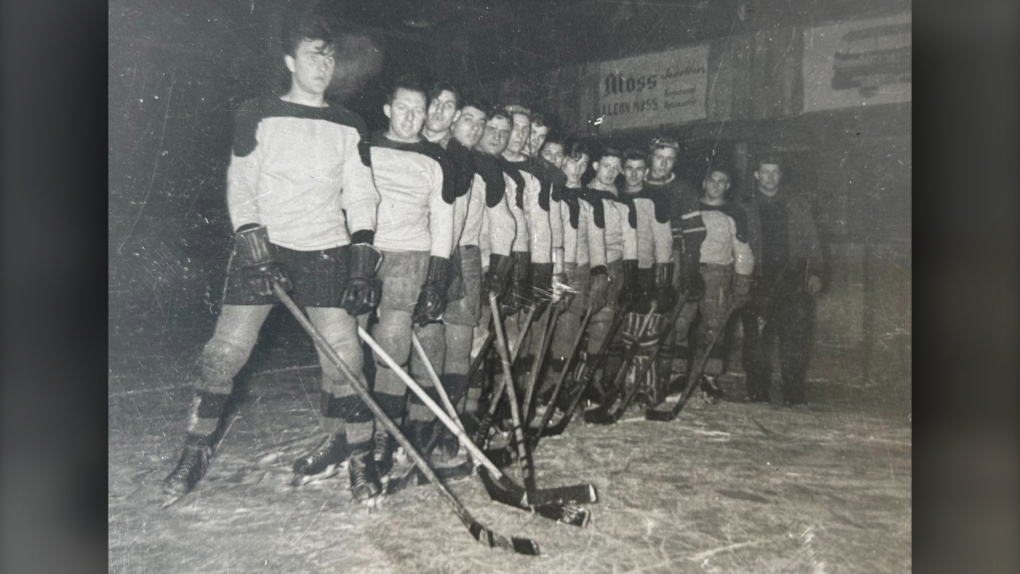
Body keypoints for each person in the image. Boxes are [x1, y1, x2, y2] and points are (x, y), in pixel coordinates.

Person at [163, 5, 384, 502]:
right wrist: (253, 243)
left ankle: (361, 461)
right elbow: (242, 186)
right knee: (223, 355)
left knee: (346, 359)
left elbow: (361, 193)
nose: (323, 66)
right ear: (290, 60)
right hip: (264, 248)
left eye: (329, 57)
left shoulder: (349, 124)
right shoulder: (258, 113)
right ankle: (192, 455)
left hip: (326, 249)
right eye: (313, 55)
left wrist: (363, 255)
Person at [366, 76, 455, 483]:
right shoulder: (364, 148)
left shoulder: (435, 159)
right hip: (363, 253)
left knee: (393, 342)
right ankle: (345, 434)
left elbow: (443, 219)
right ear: (388, 109)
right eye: (403, 108)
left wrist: (436, 276)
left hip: (411, 255)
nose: (411, 117)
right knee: (345, 345)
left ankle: (386, 434)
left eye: (419, 110)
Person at [739, 156, 824, 405]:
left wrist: (816, 272)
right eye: (764, 172)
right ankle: (757, 391)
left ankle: (794, 393)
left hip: (792, 278)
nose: (770, 177)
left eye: (774, 172)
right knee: (756, 340)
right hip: (758, 278)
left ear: (780, 175)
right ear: (756, 175)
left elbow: (812, 241)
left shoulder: (796, 205)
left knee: (795, 338)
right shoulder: (745, 208)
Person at [679, 167, 754, 401]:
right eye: (712, 180)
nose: (716, 185)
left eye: (722, 182)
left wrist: (743, 279)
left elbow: (742, 249)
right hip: (689, 270)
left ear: (728, 186)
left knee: (715, 325)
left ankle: (710, 376)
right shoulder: (690, 208)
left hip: (717, 273)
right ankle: (677, 372)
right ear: (704, 182)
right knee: (681, 323)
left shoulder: (733, 213)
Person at [576, 147, 638, 401]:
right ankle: (573, 379)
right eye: (606, 166)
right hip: (585, 263)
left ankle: (595, 379)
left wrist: (632, 273)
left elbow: (630, 238)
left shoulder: (622, 201)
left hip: (613, 264)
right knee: (579, 323)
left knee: (603, 322)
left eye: (615, 168)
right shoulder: (581, 193)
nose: (610, 172)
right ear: (595, 166)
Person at [642, 137, 703, 386]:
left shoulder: (683, 189)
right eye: (659, 157)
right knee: (643, 313)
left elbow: (694, 231)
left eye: (669, 159)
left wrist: (689, 267)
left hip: (673, 255)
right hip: (640, 255)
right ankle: (641, 370)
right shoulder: (634, 180)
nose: (663, 163)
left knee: (674, 317)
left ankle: (674, 372)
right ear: (651, 156)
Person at [619, 148, 676, 406]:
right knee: (621, 329)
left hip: (644, 270)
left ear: (646, 171)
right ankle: (621, 383)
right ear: (622, 169)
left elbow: (664, 241)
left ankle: (647, 385)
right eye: (629, 168)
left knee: (644, 330)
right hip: (617, 268)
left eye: (639, 169)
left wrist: (661, 282)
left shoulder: (655, 198)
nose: (634, 174)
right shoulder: (614, 195)